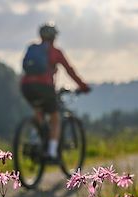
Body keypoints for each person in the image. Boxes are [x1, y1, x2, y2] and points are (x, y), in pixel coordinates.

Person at [21, 22, 90, 161]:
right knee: (55, 118)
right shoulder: (55, 52)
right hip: (44, 87)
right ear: (54, 37)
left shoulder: (33, 48)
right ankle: (52, 152)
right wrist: (83, 86)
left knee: (38, 112)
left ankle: (35, 142)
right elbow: (70, 70)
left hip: (26, 86)